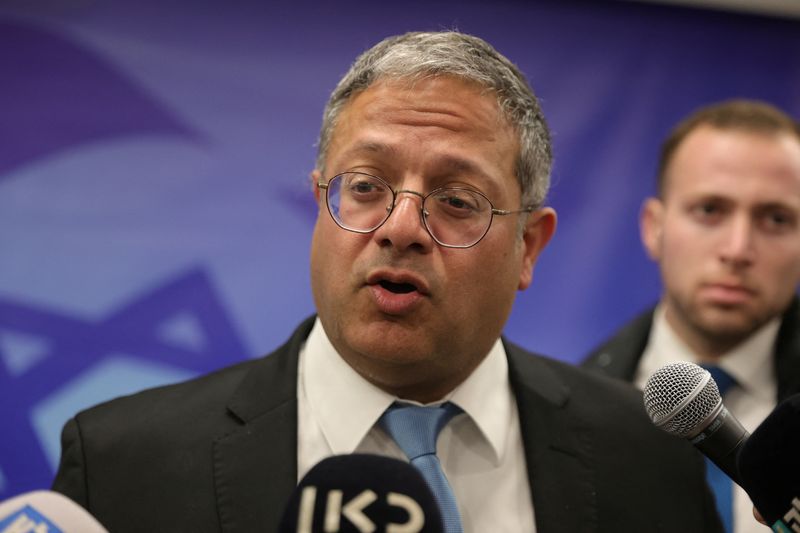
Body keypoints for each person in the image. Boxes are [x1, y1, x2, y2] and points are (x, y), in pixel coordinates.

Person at [51, 31, 722, 532]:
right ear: (319, 205)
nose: (402, 227)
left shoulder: (650, 458)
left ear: (528, 246)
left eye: (458, 200)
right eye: (366, 186)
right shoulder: (122, 466)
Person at [583, 99, 800, 533]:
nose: (737, 250)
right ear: (654, 228)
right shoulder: (575, 408)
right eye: (709, 210)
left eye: (776, 218)